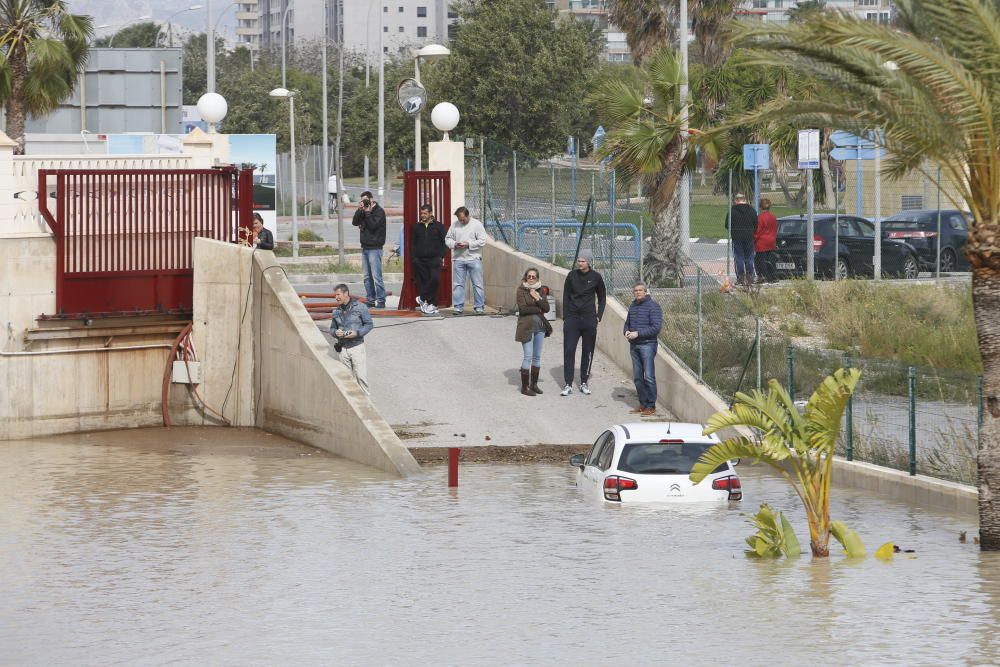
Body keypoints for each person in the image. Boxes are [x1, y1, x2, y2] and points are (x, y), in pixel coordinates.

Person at [561, 249, 606, 397]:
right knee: (569, 350)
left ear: (588, 262)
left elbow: (602, 297)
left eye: (583, 261)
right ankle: (568, 383)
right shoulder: (571, 276)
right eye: (579, 261)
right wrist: (566, 316)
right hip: (572, 319)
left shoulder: (596, 277)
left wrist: (598, 315)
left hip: (589, 319)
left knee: (588, 351)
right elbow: (566, 296)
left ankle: (584, 382)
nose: (580, 263)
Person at [624, 282, 663, 416]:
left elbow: (656, 327)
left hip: (648, 345)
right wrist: (626, 331)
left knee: (649, 377)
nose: (638, 292)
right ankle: (643, 404)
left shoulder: (653, 306)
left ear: (646, 291)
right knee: (637, 377)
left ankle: (651, 406)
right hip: (634, 345)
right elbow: (627, 323)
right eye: (635, 290)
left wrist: (638, 333)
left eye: (640, 290)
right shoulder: (633, 306)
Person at [515, 267, 552, 397]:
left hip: (540, 328)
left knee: (537, 356)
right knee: (528, 356)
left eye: (533, 277)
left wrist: (537, 298)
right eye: (529, 276)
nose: (531, 279)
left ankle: (534, 384)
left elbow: (546, 308)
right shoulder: (521, 290)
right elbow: (523, 309)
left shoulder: (541, 290)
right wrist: (537, 309)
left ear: (537, 278)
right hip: (526, 327)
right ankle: (524, 387)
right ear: (526, 277)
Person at [330, 283, 373, 394]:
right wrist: (336, 332)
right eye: (335, 295)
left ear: (346, 293)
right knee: (346, 380)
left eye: (338, 295)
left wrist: (357, 333)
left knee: (361, 377)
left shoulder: (360, 307)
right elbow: (332, 329)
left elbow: (369, 324)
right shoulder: (336, 311)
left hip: (357, 347)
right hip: (342, 350)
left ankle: (366, 405)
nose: (336, 297)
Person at [445, 206, 488, 315]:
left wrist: (469, 244)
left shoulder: (477, 224)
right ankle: (458, 307)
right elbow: (447, 239)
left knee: (477, 283)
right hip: (459, 259)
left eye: (463, 219)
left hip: (474, 258)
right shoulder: (454, 225)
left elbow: (482, 241)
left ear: (468, 215)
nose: (461, 221)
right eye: (459, 219)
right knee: (458, 284)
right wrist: (455, 244)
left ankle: (479, 307)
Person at [352, 190, 387, 308]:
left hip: (375, 248)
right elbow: (354, 222)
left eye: (366, 200)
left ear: (372, 199)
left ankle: (381, 301)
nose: (365, 202)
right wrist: (359, 209)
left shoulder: (379, 212)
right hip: (365, 247)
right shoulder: (363, 211)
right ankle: (371, 299)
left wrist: (367, 212)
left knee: (377, 277)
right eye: (362, 201)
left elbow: (373, 226)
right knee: (367, 277)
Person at [412, 203, 447, 314]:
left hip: (434, 259)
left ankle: (422, 298)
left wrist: (441, 255)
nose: (423, 215)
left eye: (425, 213)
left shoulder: (439, 226)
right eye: (421, 213)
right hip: (420, 260)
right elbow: (413, 243)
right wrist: (415, 258)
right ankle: (431, 305)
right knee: (424, 282)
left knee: (435, 280)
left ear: (431, 213)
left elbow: (445, 242)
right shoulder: (417, 227)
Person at [726, 193, 758, 286]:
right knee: (749, 257)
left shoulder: (732, 211)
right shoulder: (752, 210)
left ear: (736, 200)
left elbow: (727, 225)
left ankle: (740, 277)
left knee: (738, 257)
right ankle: (750, 276)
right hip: (749, 237)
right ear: (745, 200)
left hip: (737, 237)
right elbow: (756, 224)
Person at [754, 197, 778, 283]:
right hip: (771, 241)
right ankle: (772, 276)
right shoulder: (773, 217)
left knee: (760, 260)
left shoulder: (760, 218)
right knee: (771, 259)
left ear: (760, 207)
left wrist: (753, 239)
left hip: (762, 242)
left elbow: (757, 231)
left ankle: (762, 276)